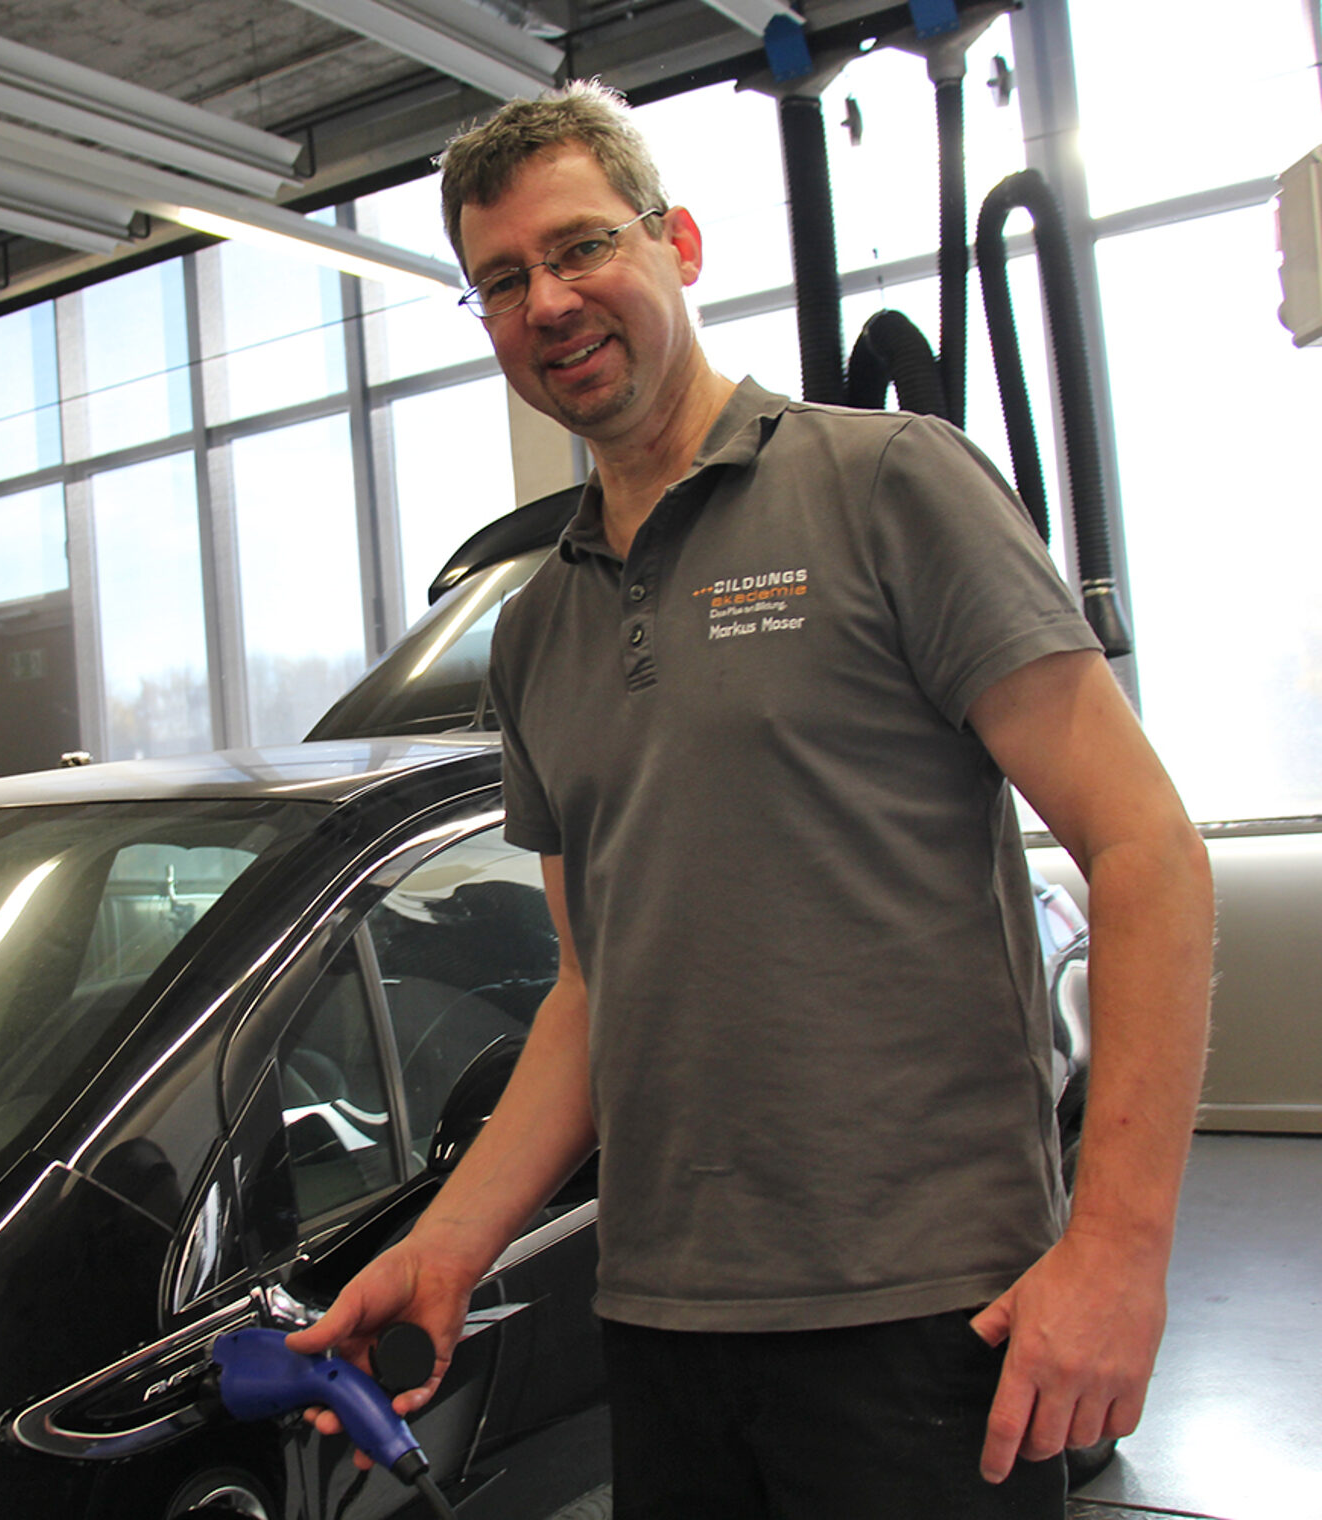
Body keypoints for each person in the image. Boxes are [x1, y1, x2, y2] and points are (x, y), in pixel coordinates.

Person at [289, 80, 1213, 1518]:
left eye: (582, 246)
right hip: (661, 1330)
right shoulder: (536, 633)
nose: (549, 301)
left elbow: (1143, 844)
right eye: (503, 280)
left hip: (926, 1319)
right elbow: (593, 990)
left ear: (681, 244)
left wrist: (1118, 1253)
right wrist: (454, 1240)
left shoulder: (889, 488)